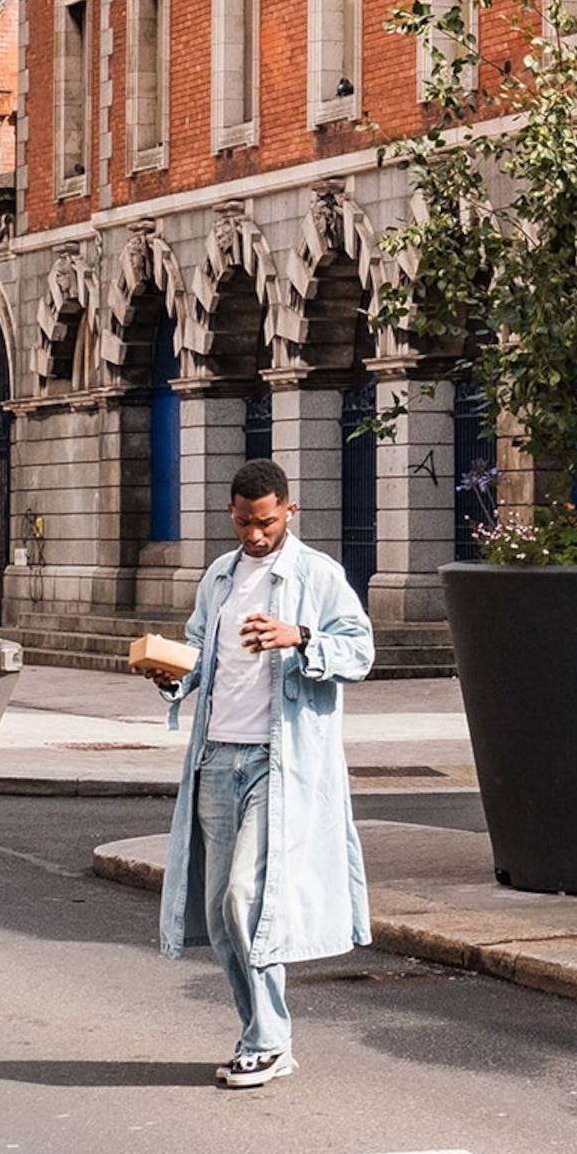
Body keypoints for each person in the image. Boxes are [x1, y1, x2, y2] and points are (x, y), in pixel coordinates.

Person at [133, 459, 376, 1086]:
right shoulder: (219, 577)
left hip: (279, 759)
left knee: (249, 897)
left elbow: (361, 650)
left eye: (265, 522)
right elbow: (197, 655)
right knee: (219, 911)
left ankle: (271, 1038)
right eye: (243, 522)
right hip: (215, 755)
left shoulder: (317, 575)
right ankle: (256, 1036)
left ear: (289, 511)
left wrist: (299, 638)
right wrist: (171, 675)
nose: (255, 535)